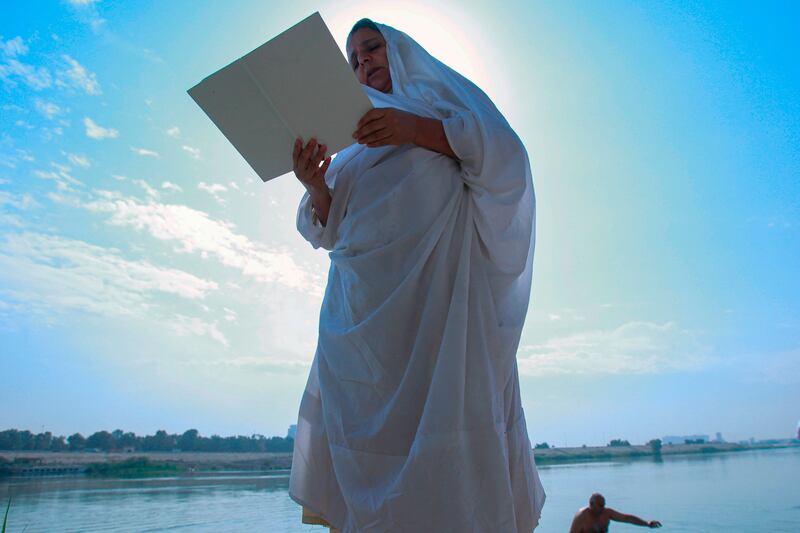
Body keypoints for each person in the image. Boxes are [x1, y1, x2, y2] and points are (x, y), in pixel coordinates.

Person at [288, 17, 545, 533]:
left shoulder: (443, 113)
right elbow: (329, 230)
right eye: (355, 59)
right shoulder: (350, 149)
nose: (365, 62)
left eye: (373, 48)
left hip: (440, 318)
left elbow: (506, 160)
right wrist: (315, 183)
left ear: (400, 50)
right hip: (360, 335)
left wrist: (415, 131)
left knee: (447, 450)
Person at [569, 493, 662, 532]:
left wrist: (647, 523)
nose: (603, 508)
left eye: (604, 505)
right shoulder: (581, 516)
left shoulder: (607, 513)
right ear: (591, 504)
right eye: (600, 505)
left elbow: (627, 518)